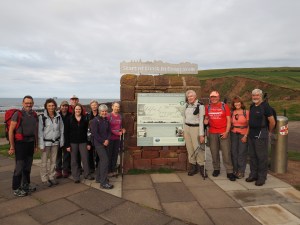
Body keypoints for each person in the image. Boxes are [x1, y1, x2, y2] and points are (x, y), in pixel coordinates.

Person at [8, 95, 38, 197]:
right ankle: (16, 188)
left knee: (28, 166)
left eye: (30, 103)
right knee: (19, 167)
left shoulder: (34, 115)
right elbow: (11, 131)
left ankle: (26, 185)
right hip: (20, 144)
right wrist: (12, 146)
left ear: (33, 103)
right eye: (26, 103)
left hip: (30, 143)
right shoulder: (17, 114)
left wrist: (35, 145)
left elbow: (35, 131)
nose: (28, 104)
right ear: (23, 103)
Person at [204, 91, 236, 181]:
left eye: (215, 97)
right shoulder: (208, 107)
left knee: (226, 153)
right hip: (212, 132)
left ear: (218, 97)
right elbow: (206, 118)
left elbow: (229, 120)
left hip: (223, 131)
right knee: (214, 152)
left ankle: (229, 171)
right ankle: (216, 169)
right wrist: (205, 121)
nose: (213, 98)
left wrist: (226, 132)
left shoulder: (224, 106)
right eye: (211, 97)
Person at [246, 89, 275, 186]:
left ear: (261, 96)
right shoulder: (252, 106)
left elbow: (272, 121)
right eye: (253, 95)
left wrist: (269, 132)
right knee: (252, 156)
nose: (255, 97)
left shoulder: (265, 106)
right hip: (252, 134)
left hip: (261, 134)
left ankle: (262, 177)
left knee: (261, 157)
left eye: (257, 95)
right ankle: (253, 174)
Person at [65, 103, 94, 183]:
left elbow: (88, 132)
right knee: (74, 160)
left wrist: (88, 143)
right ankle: (76, 176)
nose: (78, 110)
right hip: (72, 143)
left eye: (79, 109)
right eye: (76, 109)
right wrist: (67, 145)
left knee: (85, 159)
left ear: (81, 110)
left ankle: (87, 174)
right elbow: (66, 133)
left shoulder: (85, 119)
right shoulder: (69, 119)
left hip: (83, 142)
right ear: (74, 110)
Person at [38, 98, 64, 187]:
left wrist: (61, 141)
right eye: (49, 105)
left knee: (53, 161)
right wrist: (41, 144)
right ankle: (44, 178)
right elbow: (40, 132)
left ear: (55, 106)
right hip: (46, 143)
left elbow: (61, 129)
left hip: (55, 142)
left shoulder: (58, 116)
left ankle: (52, 176)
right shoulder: (42, 117)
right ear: (46, 106)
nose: (51, 107)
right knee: (44, 162)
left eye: (53, 105)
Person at [184, 90, 207, 178]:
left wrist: (201, 134)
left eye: (191, 96)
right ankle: (193, 167)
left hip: (196, 128)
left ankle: (201, 167)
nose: (190, 98)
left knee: (198, 148)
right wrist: (184, 130)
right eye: (188, 96)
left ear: (195, 96)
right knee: (190, 148)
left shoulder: (200, 106)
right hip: (187, 128)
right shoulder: (186, 105)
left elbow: (201, 121)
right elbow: (184, 118)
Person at [90, 104, 114, 189]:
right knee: (105, 161)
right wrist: (103, 141)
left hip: (106, 143)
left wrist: (107, 140)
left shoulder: (106, 120)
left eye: (105, 111)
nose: (104, 113)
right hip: (99, 144)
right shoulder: (94, 121)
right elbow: (95, 134)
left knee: (101, 161)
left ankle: (98, 178)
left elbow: (109, 132)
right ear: (99, 112)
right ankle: (103, 183)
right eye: (102, 111)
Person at [230, 96, 249, 179]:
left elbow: (249, 125)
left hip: (243, 134)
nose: (237, 104)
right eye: (235, 102)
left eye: (238, 102)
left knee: (241, 153)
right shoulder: (232, 112)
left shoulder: (246, 112)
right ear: (233, 104)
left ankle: (241, 171)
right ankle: (235, 170)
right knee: (234, 152)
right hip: (234, 134)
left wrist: (246, 135)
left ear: (241, 103)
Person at [107, 102, 126, 177]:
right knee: (109, 155)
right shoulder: (109, 116)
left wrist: (122, 130)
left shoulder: (120, 116)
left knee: (115, 155)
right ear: (112, 107)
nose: (117, 108)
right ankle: (108, 170)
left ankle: (113, 169)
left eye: (118, 107)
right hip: (110, 138)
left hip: (117, 139)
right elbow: (108, 128)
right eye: (115, 106)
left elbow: (120, 127)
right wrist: (117, 133)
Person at [56, 100, 71, 178]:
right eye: (63, 106)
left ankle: (65, 170)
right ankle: (58, 171)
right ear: (60, 107)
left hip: (67, 138)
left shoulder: (71, 115)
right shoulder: (57, 115)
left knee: (66, 155)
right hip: (58, 138)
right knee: (58, 155)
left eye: (66, 106)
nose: (64, 107)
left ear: (68, 107)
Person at [86, 100, 100, 173]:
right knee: (90, 153)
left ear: (97, 106)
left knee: (98, 153)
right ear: (90, 106)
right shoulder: (88, 115)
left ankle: (98, 167)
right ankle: (91, 168)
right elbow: (86, 128)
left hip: (98, 138)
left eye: (95, 105)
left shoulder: (100, 114)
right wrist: (88, 142)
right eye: (92, 105)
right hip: (90, 137)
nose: (94, 106)